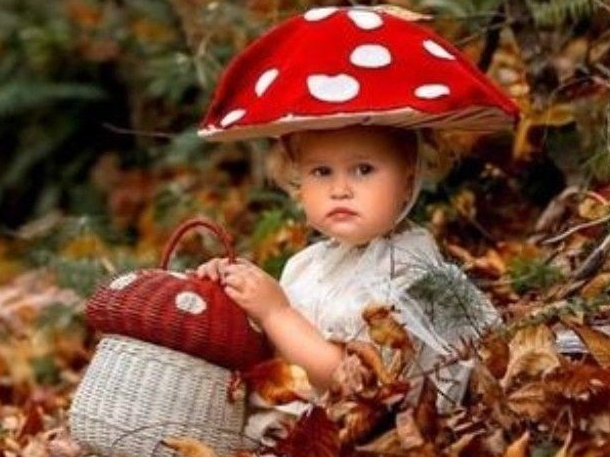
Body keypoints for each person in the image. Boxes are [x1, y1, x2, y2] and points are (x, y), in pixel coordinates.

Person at [195, 122, 499, 425]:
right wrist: (234, 289)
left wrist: (276, 314)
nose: (340, 190)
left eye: (363, 170)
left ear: (409, 179)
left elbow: (355, 383)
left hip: (357, 437)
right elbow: (276, 352)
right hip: (284, 425)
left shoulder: (405, 270)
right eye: (321, 172)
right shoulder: (307, 264)